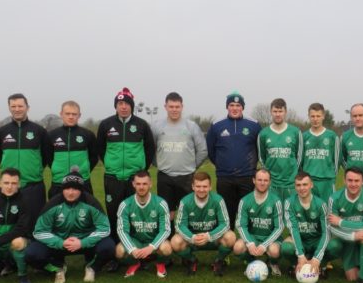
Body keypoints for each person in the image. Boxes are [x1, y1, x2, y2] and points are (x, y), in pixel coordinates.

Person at [25, 169, 115, 283]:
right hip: (59, 244)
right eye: (67, 188)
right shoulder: (53, 204)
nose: (70, 192)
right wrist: (60, 242)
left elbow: (104, 228)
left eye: (75, 189)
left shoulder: (91, 202)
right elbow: (39, 231)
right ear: (63, 189)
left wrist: (83, 242)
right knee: (31, 254)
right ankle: (57, 268)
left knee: (108, 246)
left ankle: (91, 267)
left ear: (81, 190)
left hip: (84, 242)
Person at [97, 87, 155, 252]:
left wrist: (140, 169)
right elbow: (100, 149)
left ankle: (138, 249)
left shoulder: (141, 125)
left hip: (133, 180)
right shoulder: (106, 124)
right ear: (116, 105)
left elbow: (150, 148)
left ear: (132, 106)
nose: (124, 107)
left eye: (127, 103)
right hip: (112, 178)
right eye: (120, 103)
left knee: (135, 215)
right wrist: (110, 164)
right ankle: (117, 251)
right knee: (115, 215)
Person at [152, 92, 207, 234]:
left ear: (182, 106)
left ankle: (187, 242)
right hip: (165, 176)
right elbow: (150, 150)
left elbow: (202, 150)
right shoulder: (157, 126)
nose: (174, 109)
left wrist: (192, 166)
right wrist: (159, 164)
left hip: (187, 176)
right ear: (165, 107)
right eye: (171, 106)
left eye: (177, 106)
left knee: (187, 211)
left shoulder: (191, 126)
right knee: (167, 212)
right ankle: (169, 243)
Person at [206, 92, 261, 229]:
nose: (235, 108)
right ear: (227, 107)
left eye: (238, 105)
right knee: (226, 213)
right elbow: (211, 151)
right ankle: (227, 240)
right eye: (231, 105)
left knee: (247, 212)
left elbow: (260, 149)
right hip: (225, 177)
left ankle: (248, 242)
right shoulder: (216, 125)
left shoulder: (254, 125)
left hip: (247, 177)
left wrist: (251, 166)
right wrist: (222, 164)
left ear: (242, 107)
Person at [0, 93, 49, 224]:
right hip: (9, 185)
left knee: (34, 223)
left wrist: (35, 169)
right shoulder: (1, 132)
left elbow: (47, 156)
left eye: (20, 106)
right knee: (8, 223)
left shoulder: (39, 131)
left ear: (27, 108)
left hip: (33, 186)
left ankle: (33, 244)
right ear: (9, 108)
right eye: (13, 106)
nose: (17, 109)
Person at [170, 172, 236, 276]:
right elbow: (179, 225)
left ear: (210, 187)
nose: (201, 189)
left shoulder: (218, 200)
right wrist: (192, 237)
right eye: (198, 186)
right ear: (193, 186)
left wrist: (209, 236)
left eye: (205, 186)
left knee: (231, 237)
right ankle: (191, 260)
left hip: (212, 238)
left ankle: (219, 261)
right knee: (175, 241)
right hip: (193, 239)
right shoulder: (185, 201)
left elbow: (225, 224)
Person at [281, 172, 341, 279]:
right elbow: (293, 229)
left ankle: (321, 265)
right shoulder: (289, 203)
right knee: (286, 247)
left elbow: (326, 232)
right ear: (295, 186)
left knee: (336, 245)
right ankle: (297, 265)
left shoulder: (321, 204)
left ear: (311, 185)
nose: (302, 188)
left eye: (305, 184)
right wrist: (300, 255)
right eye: (298, 185)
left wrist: (317, 258)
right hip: (301, 239)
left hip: (316, 240)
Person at [328, 167, 363, 283]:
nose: (353, 184)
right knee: (351, 277)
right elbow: (331, 227)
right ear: (344, 180)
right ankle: (361, 263)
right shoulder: (334, 198)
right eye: (350, 180)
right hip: (347, 239)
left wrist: (341, 221)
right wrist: (353, 236)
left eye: (357, 181)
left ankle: (362, 281)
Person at [116, 170, 172, 278]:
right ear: (133, 184)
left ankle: (160, 263)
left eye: (145, 184)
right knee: (119, 251)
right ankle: (134, 263)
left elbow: (165, 229)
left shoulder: (161, 203)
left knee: (167, 248)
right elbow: (122, 230)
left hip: (153, 240)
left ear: (150, 184)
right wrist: (132, 248)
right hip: (136, 241)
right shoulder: (125, 204)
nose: (141, 187)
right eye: (138, 184)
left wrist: (151, 247)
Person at [233, 169, 284, 276]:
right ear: (254, 180)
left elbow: (279, 227)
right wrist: (250, 243)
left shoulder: (276, 201)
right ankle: (251, 262)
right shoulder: (245, 200)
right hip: (253, 237)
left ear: (269, 182)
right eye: (259, 180)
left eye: (265, 180)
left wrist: (264, 245)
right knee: (238, 248)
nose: (262, 183)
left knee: (274, 251)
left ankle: (273, 263)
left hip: (270, 238)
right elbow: (241, 226)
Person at [47, 100, 98, 198]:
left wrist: (84, 169)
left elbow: (94, 158)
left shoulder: (88, 135)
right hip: (58, 183)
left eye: (74, 114)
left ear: (79, 115)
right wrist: (57, 169)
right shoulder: (51, 135)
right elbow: (48, 158)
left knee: (84, 212)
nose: (71, 116)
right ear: (61, 114)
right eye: (67, 114)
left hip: (82, 183)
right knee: (56, 212)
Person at [257, 98, 303, 201]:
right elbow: (262, 157)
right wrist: (268, 176)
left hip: (290, 183)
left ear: (285, 112)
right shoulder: (263, 134)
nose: (278, 114)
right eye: (275, 111)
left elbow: (299, 157)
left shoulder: (295, 132)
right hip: (272, 184)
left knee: (290, 214)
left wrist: (293, 174)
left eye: (280, 111)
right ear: (271, 112)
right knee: (273, 215)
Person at [301, 102, 340, 201]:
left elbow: (336, 160)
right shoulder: (304, 136)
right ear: (309, 117)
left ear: (323, 116)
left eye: (318, 116)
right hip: (309, 181)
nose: (315, 119)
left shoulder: (332, 136)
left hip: (327, 181)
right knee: (310, 212)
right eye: (312, 116)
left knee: (328, 212)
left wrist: (331, 177)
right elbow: (300, 160)